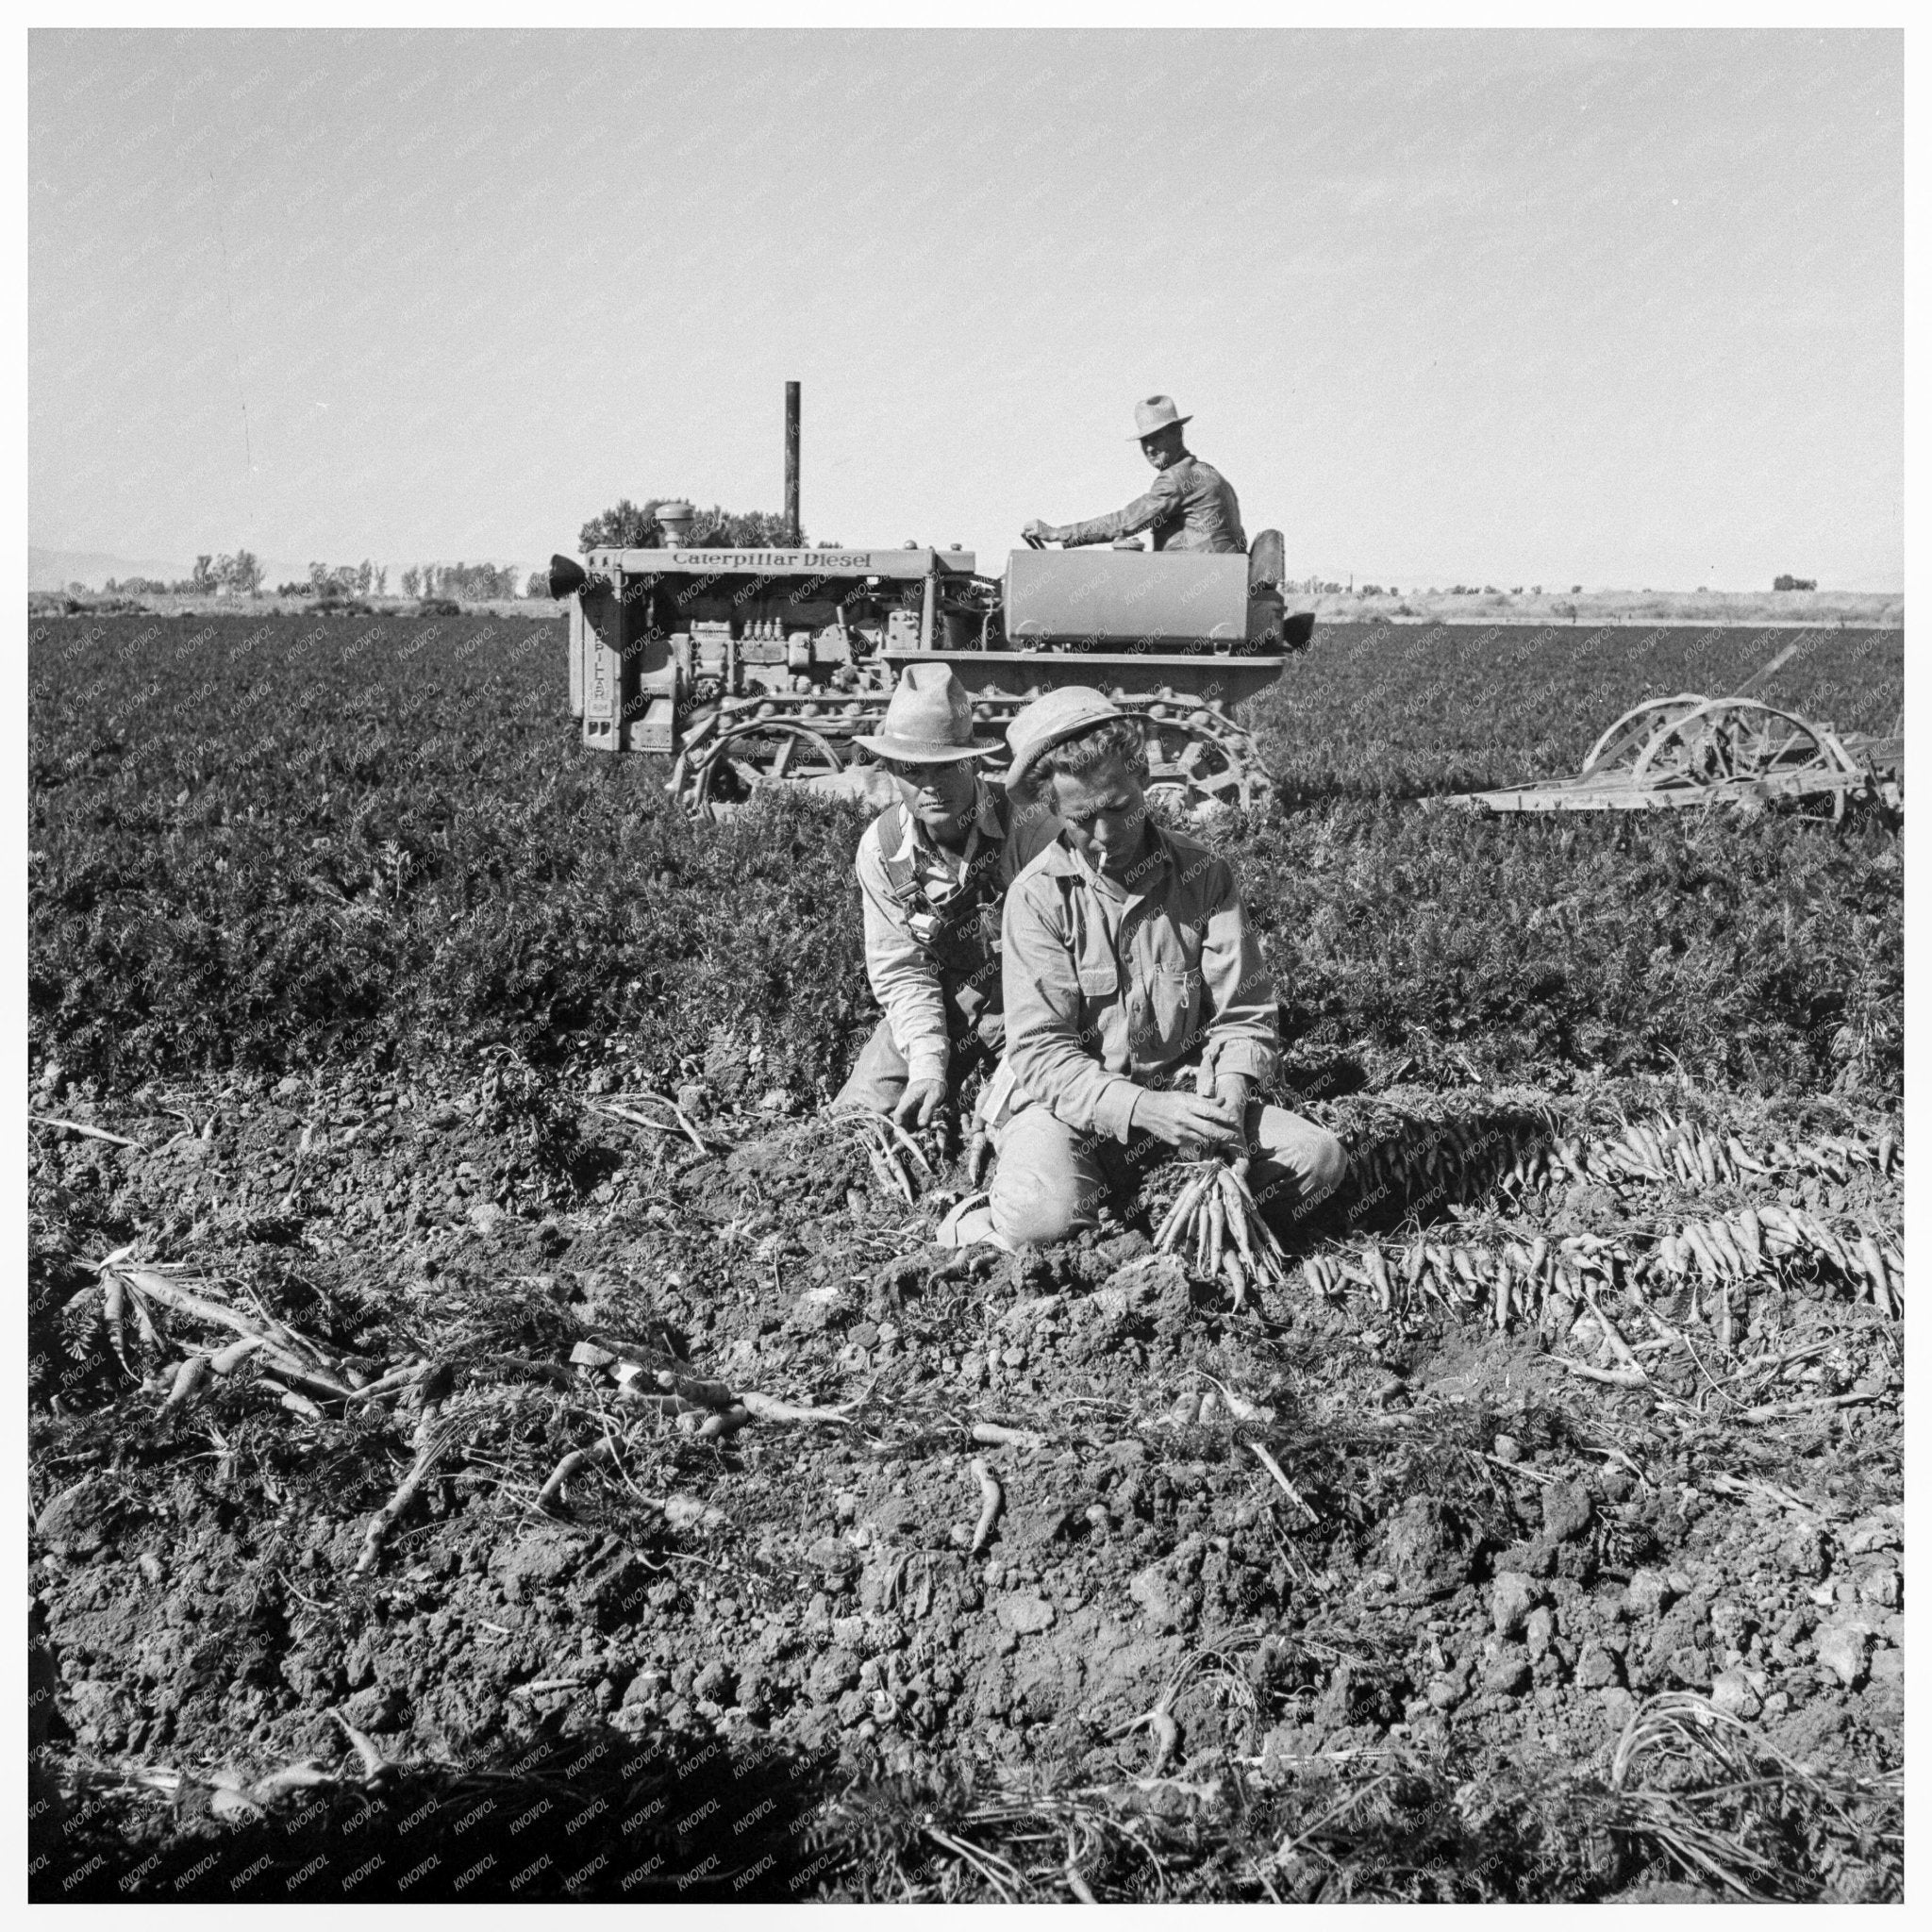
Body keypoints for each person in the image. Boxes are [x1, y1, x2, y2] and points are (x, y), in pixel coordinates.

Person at [976, 686, 1345, 1247]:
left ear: (1143, 776)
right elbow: (1042, 1054)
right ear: (1052, 809)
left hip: (1186, 1098)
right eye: (1082, 819)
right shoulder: (1036, 898)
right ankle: (983, 1214)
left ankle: (1162, 1207)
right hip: (1070, 1109)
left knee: (1317, 1159)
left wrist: (1231, 1090)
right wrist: (1143, 1109)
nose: (1105, 836)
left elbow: (1245, 1013)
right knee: (1041, 1223)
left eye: (1119, 808)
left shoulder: (1204, 874)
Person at [833, 663, 1059, 1131]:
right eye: (913, 770)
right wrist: (927, 1067)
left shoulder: (1030, 828)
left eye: (948, 766)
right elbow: (903, 971)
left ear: (974, 762)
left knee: (1023, 1123)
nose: (932, 786)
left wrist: (1019, 1068)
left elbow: (1065, 965)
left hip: (1032, 1000)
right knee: (857, 1120)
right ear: (891, 771)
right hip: (946, 1003)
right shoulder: (881, 850)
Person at [1023, 395, 1247, 556]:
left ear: (1177, 434)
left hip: (1193, 585)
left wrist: (1057, 533)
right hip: (1213, 581)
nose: (1149, 448)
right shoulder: (1208, 473)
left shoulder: (1176, 478)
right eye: (1145, 440)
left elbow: (1127, 521)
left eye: (1157, 437)